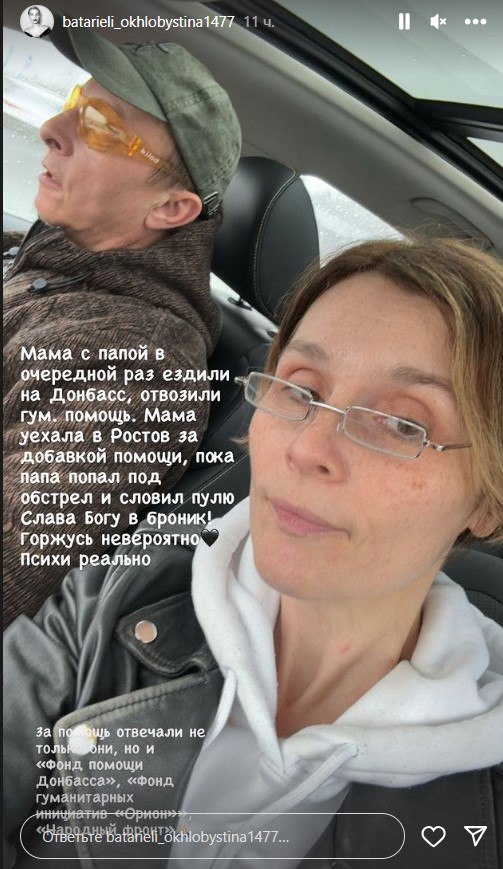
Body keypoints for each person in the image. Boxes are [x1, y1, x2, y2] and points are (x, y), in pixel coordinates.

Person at [4, 237, 503, 868]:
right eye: (300, 390)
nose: (306, 448)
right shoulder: (116, 595)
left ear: (487, 500)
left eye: (405, 424)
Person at [3, 28, 242, 626]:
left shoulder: (143, 371)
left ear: (170, 208)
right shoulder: (47, 260)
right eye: (72, 105)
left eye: (101, 127)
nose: (51, 129)